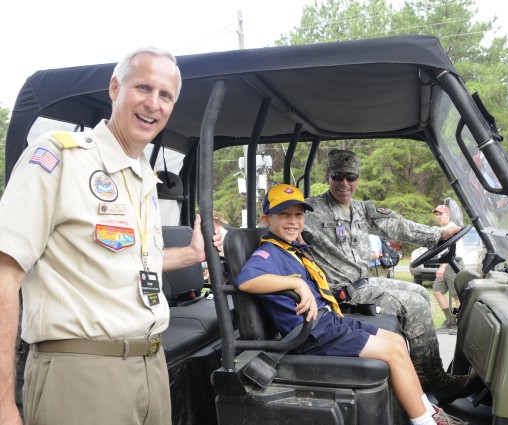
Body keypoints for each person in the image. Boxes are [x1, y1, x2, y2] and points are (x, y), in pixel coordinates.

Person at [0, 47, 221, 425]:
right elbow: (6, 274)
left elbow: (133, 262)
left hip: (150, 366)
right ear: (115, 88)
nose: (153, 103)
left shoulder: (143, 179)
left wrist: (191, 255)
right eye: (143, 88)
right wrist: (3, 404)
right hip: (82, 371)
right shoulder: (59, 157)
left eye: (165, 95)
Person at [235, 184, 463, 425]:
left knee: (397, 341)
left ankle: (428, 411)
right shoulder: (269, 253)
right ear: (265, 219)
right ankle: (423, 422)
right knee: (393, 353)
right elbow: (246, 280)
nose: (292, 221)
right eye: (284, 214)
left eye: (298, 215)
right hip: (310, 335)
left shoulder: (291, 249)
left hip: (327, 322)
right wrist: (299, 286)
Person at [302, 149, 480, 406]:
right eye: (337, 176)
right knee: (415, 304)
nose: (344, 183)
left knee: (420, 292)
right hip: (340, 294)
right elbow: (277, 223)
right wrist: (222, 238)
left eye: (350, 177)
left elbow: (398, 225)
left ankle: (423, 374)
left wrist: (438, 234)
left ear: (357, 179)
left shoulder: (362, 210)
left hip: (364, 283)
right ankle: (440, 383)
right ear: (328, 176)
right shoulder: (309, 210)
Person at [430, 205, 461, 334]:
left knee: (457, 297)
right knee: (437, 291)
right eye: (436, 214)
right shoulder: (442, 229)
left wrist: (442, 267)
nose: (438, 217)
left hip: (453, 264)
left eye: (440, 214)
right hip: (445, 264)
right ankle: (450, 319)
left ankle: (459, 323)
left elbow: (451, 252)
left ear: (448, 215)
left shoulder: (453, 229)